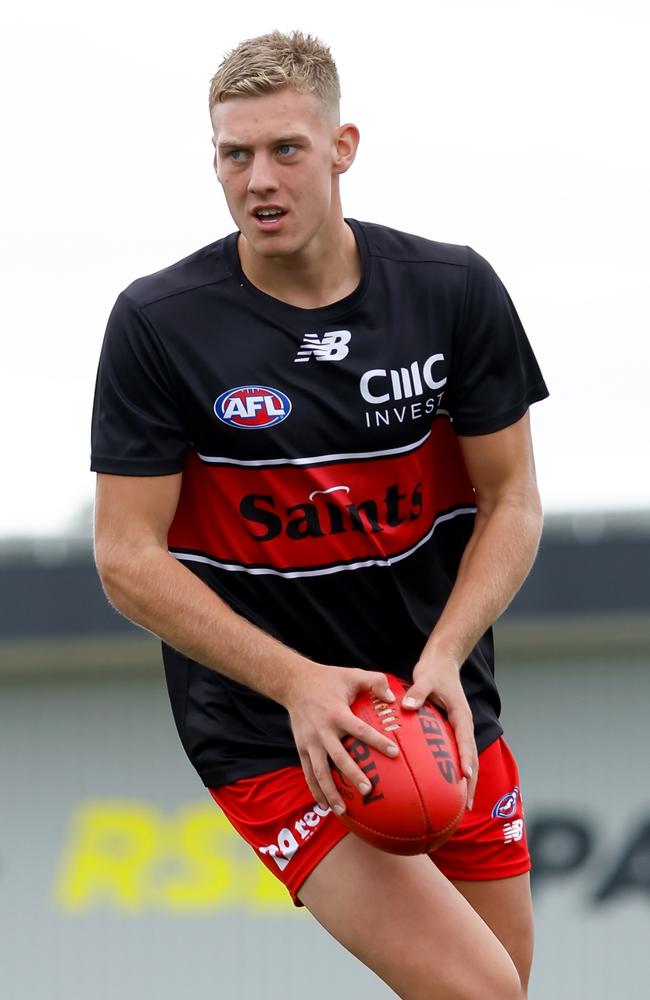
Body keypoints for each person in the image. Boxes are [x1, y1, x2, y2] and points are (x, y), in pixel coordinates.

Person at [91, 29, 548, 1000]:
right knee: (480, 991)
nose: (258, 178)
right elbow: (126, 557)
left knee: (503, 988)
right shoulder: (159, 324)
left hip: (435, 711)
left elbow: (509, 498)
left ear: (340, 148)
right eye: (233, 154)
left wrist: (441, 659)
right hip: (272, 729)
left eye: (285, 150)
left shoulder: (450, 291)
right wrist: (297, 683)